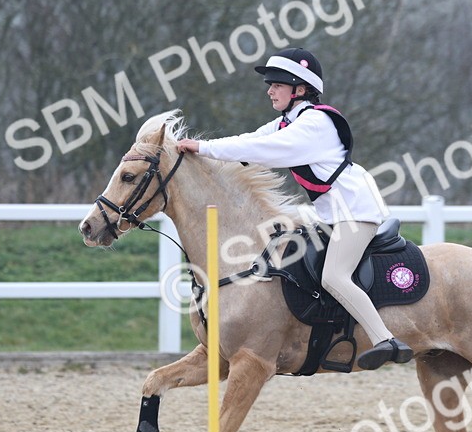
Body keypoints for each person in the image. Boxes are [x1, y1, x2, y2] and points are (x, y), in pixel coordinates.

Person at [176, 48, 413, 370]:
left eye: (276, 84)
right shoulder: (288, 122)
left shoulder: (316, 122)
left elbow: (262, 149)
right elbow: (249, 141)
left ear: (299, 89)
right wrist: (198, 156)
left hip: (355, 209)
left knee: (335, 276)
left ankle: (386, 339)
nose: (269, 90)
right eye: (270, 85)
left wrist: (204, 147)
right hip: (330, 213)